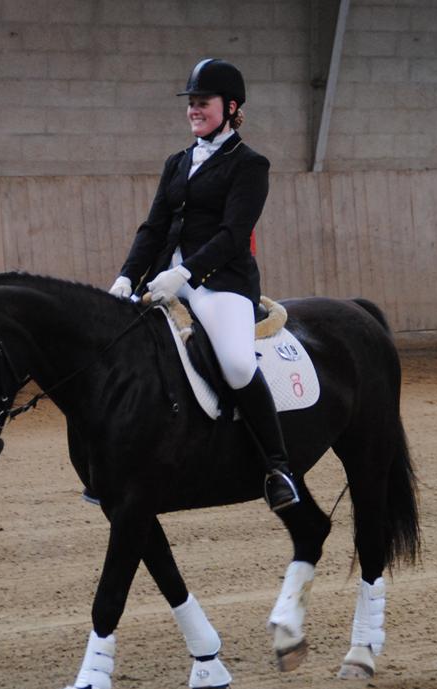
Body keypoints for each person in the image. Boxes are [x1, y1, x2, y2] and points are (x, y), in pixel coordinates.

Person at [108, 58, 299, 511]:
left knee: (236, 363)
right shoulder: (176, 163)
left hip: (220, 283)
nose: (194, 109)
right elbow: (153, 228)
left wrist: (186, 273)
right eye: (191, 103)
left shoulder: (250, 165)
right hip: (163, 278)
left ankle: (278, 467)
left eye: (203, 102)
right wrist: (126, 277)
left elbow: (233, 234)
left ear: (230, 107)